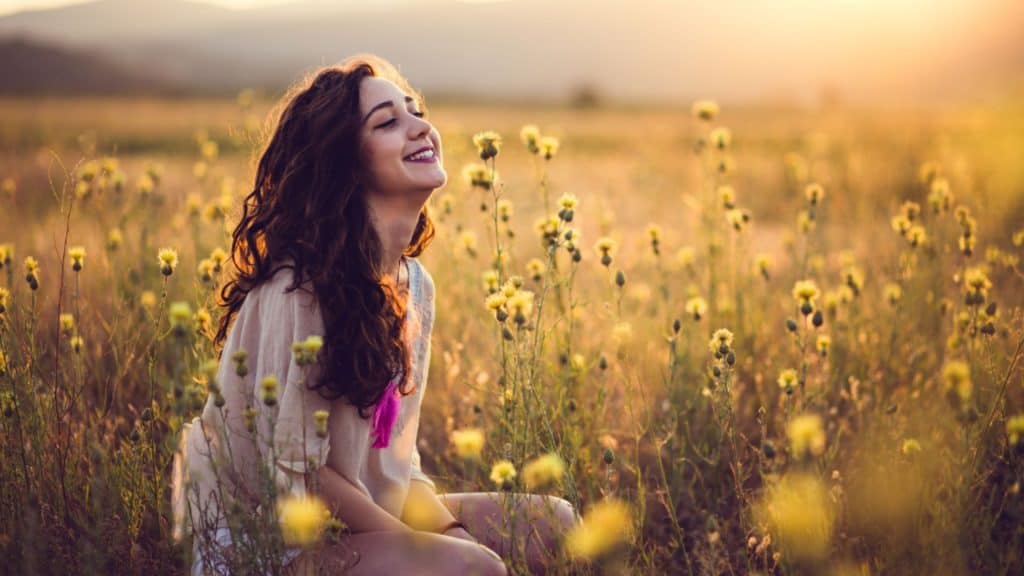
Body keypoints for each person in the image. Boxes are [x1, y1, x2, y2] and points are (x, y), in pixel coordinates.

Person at [171, 54, 577, 575]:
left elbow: (396, 466)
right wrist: (439, 553)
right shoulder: (298, 289)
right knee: (474, 570)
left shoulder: (415, 287)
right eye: (388, 122)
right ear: (346, 165)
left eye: (415, 111)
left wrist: (450, 535)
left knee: (554, 525)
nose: (421, 127)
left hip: (357, 513)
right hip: (265, 537)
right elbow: (300, 481)